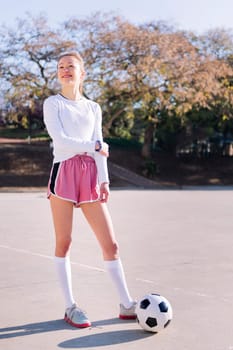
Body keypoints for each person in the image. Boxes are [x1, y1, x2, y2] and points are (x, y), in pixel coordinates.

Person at [43, 51, 136, 328]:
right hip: (64, 173)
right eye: (61, 67)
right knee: (64, 242)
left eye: (71, 66)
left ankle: (126, 305)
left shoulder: (93, 107)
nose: (65, 70)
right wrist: (93, 147)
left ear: (82, 73)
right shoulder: (53, 104)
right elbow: (61, 141)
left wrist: (104, 179)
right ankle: (70, 306)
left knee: (111, 244)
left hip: (91, 176)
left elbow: (100, 145)